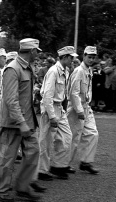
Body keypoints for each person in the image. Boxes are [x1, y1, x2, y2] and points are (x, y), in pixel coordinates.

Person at [0, 38, 42, 202]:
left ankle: (22, 187)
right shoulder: (13, 69)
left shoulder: (26, 68)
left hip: (27, 121)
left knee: (33, 152)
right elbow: (10, 100)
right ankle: (0, 190)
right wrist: (21, 123)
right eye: (37, 51)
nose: (38, 54)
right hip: (13, 123)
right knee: (6, 158)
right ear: (31, 51)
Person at [38, 46, 77, 181]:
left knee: (67, 137)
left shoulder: (64, 70)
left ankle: (58, 166)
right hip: (51, 108)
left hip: (59, 107)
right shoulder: (54, 71)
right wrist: (52, 115)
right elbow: (47, 95)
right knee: (46, 141)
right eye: (71, 57)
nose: (73, 60)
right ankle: (41, 171)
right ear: (65, 57)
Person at [66, 46, 99, 174]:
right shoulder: (79, 71)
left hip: (86, 106)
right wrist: (79, 110)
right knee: (74, 136)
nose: (91, 59)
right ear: (84, 56)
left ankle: (86, 162)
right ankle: (64, 164)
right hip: (76, 108)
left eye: (93, 57)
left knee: (92, 133)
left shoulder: (89, 70)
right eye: (89, 57)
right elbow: (73, 93)